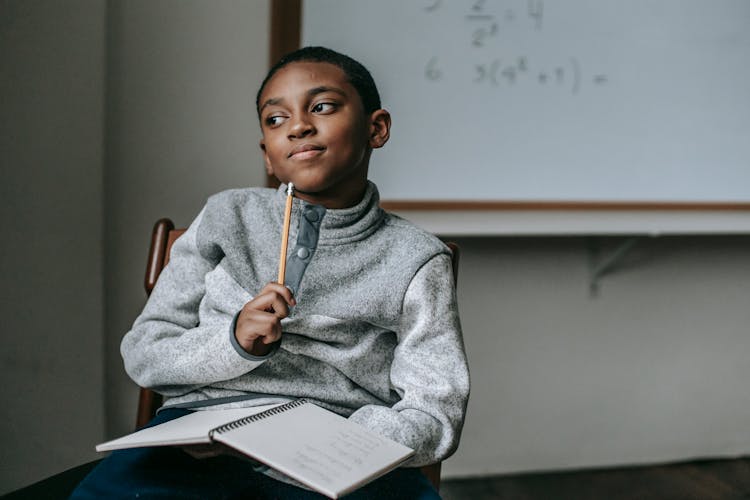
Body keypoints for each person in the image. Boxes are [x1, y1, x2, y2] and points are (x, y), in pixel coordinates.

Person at [71, 46, 470, 499]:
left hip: (342, 447)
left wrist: (357, 440)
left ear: (376, 129)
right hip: (201, 440)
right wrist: (233, 342)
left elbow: (436, 411)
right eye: (275, 120)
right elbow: (146, 354)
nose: (298, 126)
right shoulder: (226, 216)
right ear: (267, 154)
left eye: (321, 107)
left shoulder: (416, 257)